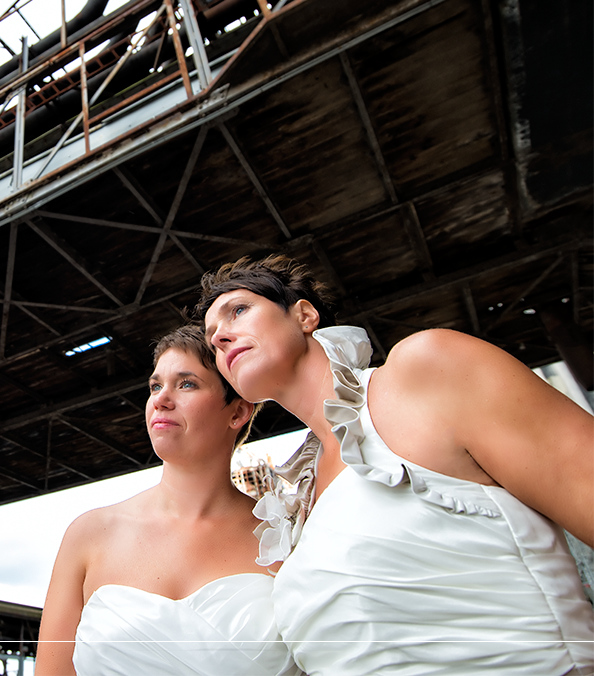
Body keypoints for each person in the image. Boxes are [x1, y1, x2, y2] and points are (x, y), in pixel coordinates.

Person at [196, 254, 594, 675]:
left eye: (238, 310)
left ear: (305, 315)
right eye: (210, 337)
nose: (220, 337)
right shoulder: (292, 510)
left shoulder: (427, 370)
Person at [35, 324, 302, 676]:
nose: (160, 399)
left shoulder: (287, 542)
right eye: (156, 385)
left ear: (237, 413)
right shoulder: (89, 535)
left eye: (186, 383)